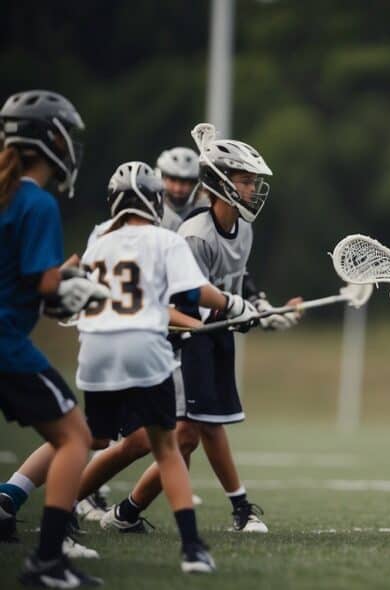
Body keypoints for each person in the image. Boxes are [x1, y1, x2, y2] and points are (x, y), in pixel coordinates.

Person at [102, 124, 301, 535]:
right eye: (246, 182)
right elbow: (180, 306)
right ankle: (237, 510)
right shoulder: (194, 236)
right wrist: (234, 313)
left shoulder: (244, 228)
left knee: (196, 432)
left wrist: (260, 307)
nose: (253, 190)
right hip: (182, 340)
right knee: (189, 432)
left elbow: (235, 282)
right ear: (223, 185)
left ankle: (127, 512)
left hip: (213, 337)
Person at [77, 161, 260, 571]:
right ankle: (192, 547)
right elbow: (190, 295)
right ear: (156, 200)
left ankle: (33, 505)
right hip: (148, 351)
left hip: (97, 352)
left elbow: (78, 297)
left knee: (87, 441)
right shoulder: (169, 240)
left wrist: (240, 306)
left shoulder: (97, 241)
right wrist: (232, 307)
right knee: (173, 444)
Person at [0, 89, 106, 587]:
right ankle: (48, 560)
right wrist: (78, 288)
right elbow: (45, 287)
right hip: (5, 343)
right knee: (76, 437)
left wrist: (64, 277)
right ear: (52, 139)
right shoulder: (36, 202)